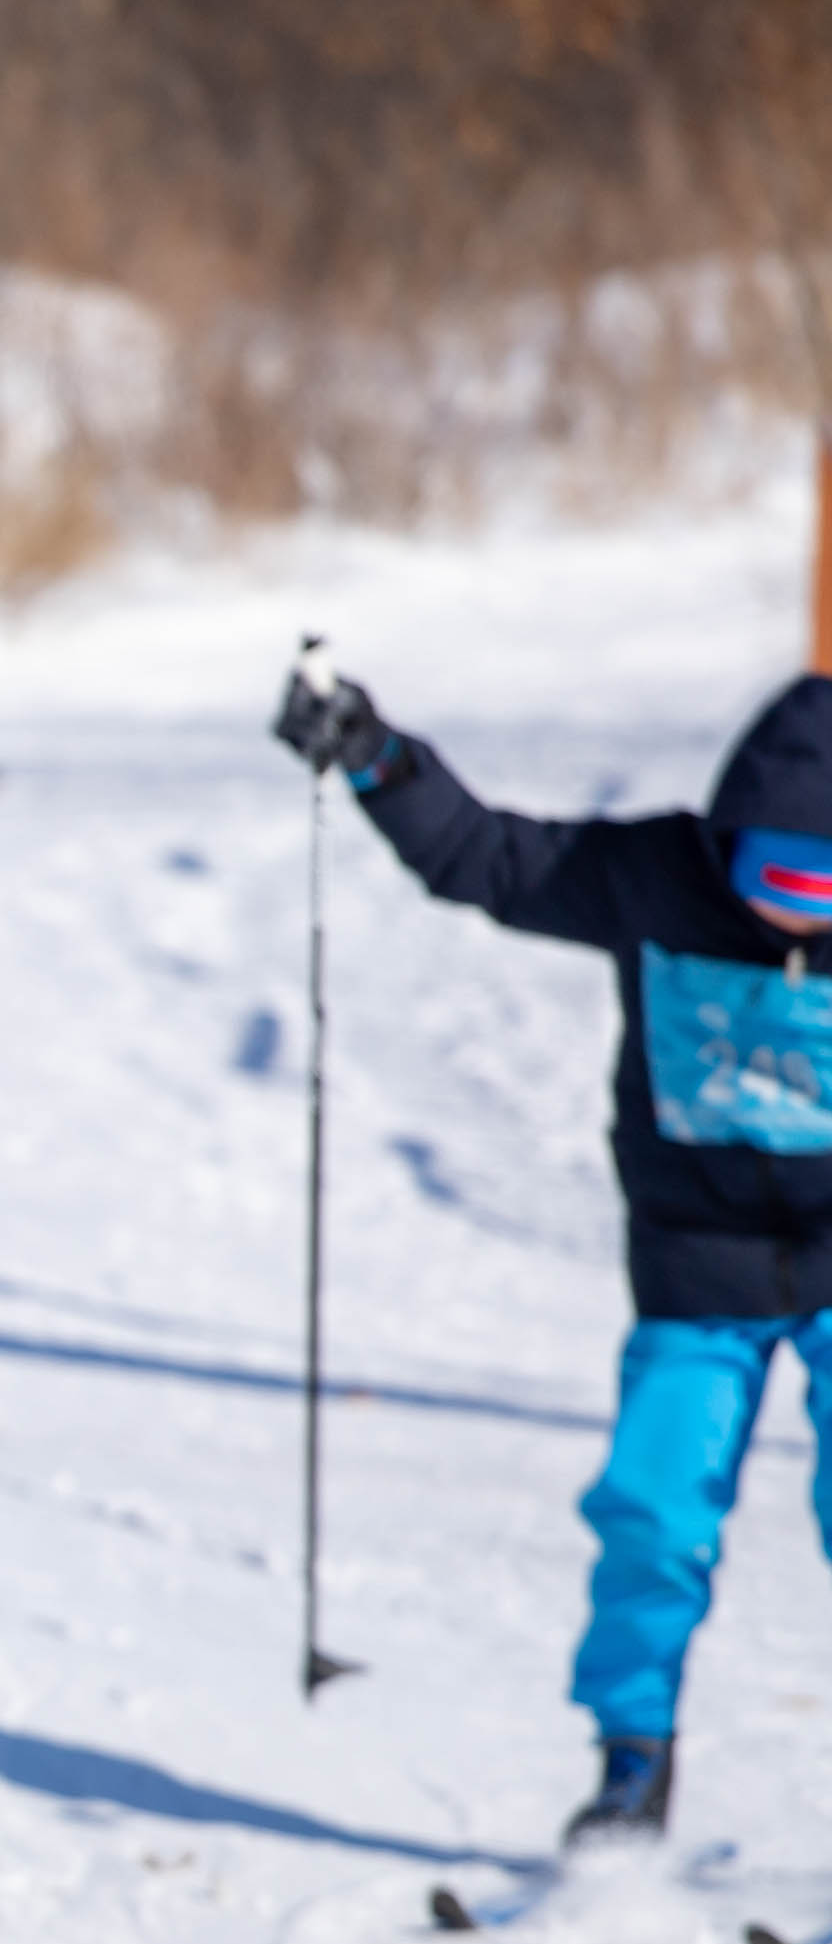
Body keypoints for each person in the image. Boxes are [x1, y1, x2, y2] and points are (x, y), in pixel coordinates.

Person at [280, 662, 832, 1845]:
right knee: (653, 1508)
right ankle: (633, 1756)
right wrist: (378, 757)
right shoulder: (655, 877)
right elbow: (485, 857)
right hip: (698, 1265)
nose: (795, 912)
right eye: (772, 879)